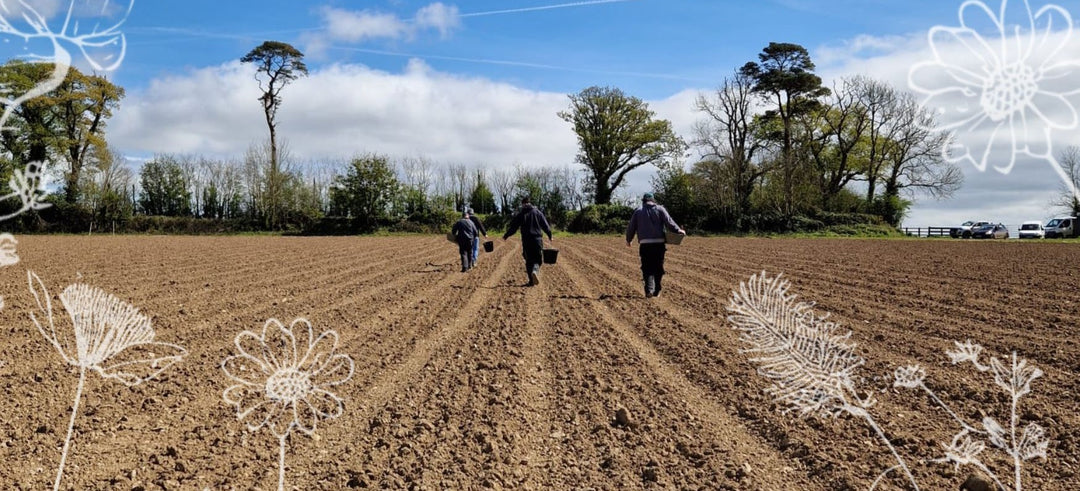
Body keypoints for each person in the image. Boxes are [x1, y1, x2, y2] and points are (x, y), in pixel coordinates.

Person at [626, 192, 684, 298]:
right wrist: (678, 230)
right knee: (658, 266)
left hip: (645, 244)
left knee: (647, 267)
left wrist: (629, 239)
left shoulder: (638, 211)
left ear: (643, 201)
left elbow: (631, 227)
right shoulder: (660, 209)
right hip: (659, 243)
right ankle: (657, 289)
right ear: (653, 200)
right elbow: (669, 222)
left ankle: (649, 290)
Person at [502, 197, 553, 286]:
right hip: (537, 239)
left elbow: (514, 228)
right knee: (538, 259)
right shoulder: (537, 212)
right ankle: (535, 271)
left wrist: (506, 235)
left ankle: (531, 281)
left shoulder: (521, 214)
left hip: (526, 240)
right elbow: (545, 225)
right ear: (530, 203)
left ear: (523, 204)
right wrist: (550, 235)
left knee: (529, 260)